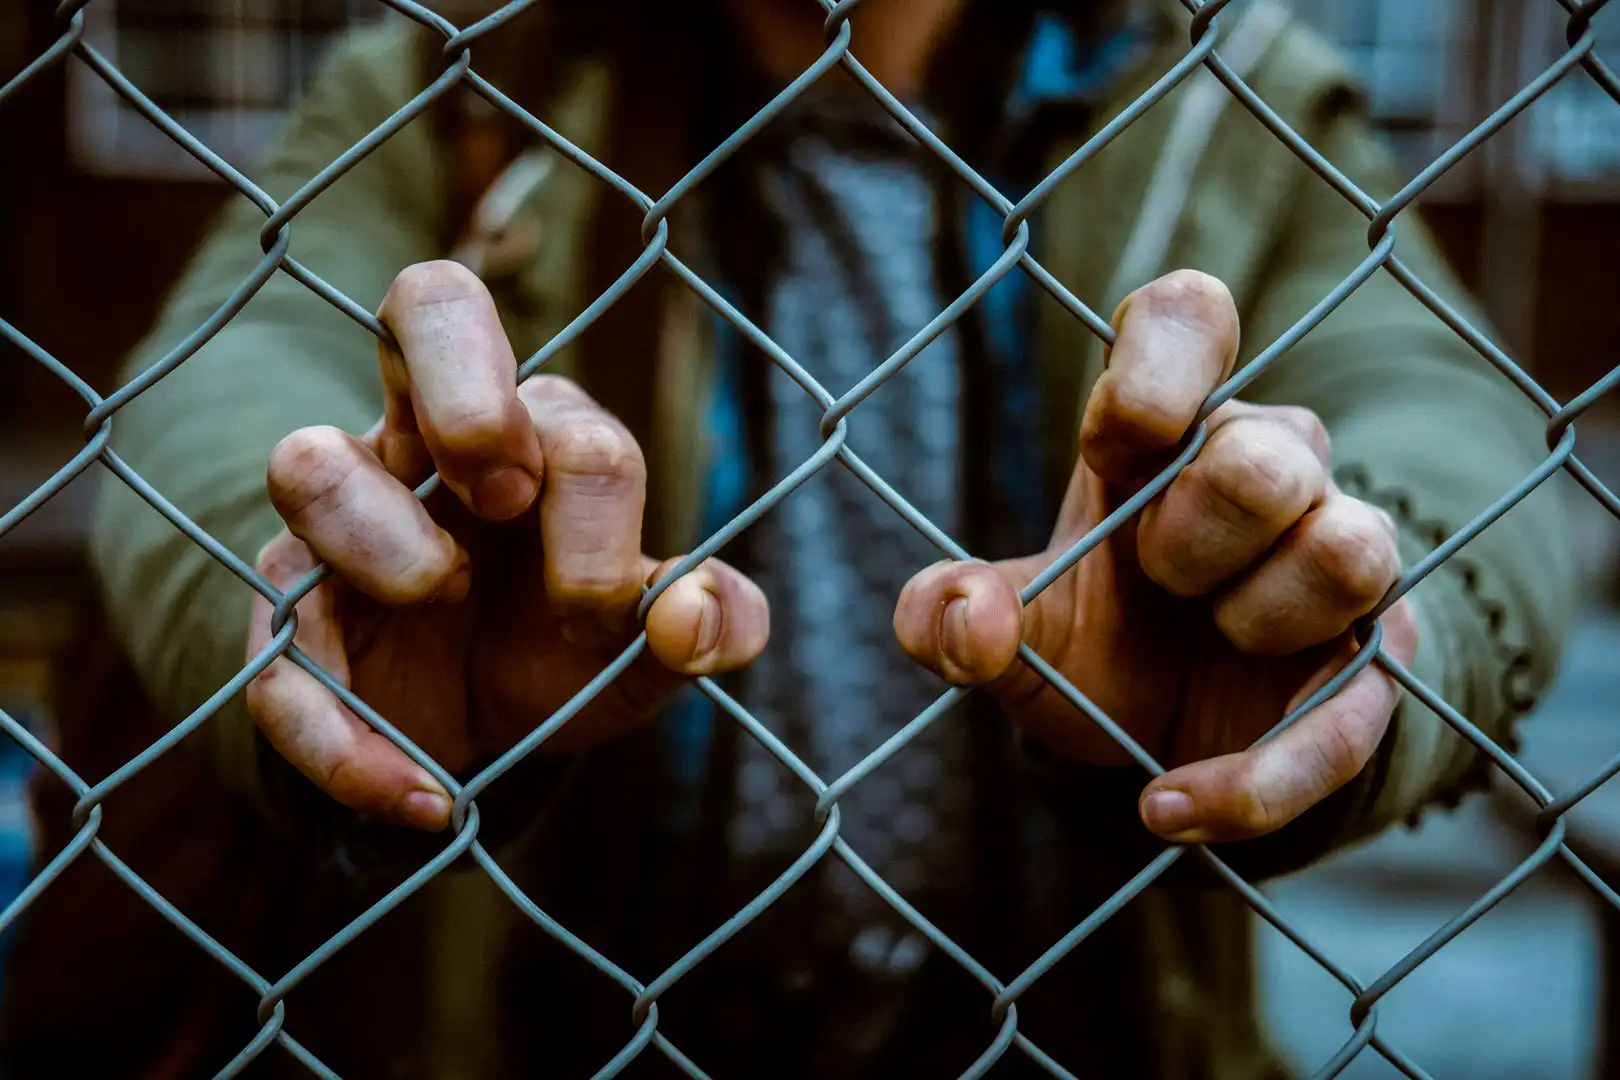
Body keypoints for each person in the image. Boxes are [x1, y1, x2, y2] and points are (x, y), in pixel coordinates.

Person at [0, 0, 1574, 1077]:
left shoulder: (1218, 94)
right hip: (558, 1017)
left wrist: (1356, 607)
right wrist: (322, 589)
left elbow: (1442, 412)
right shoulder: (473, 79)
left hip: (1084, 1021)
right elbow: (219, 384)